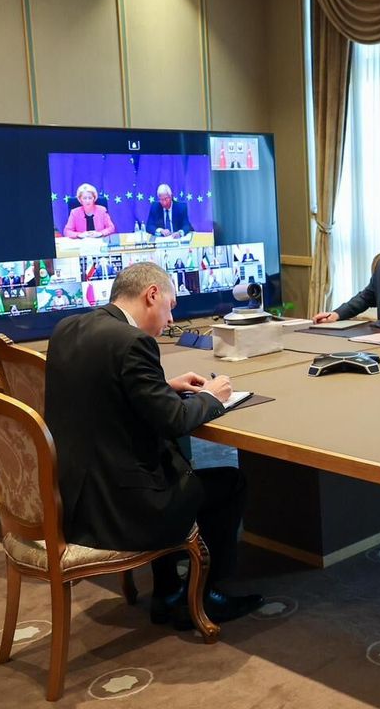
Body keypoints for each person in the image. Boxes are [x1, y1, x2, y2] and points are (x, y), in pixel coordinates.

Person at [45, 261, 262, 630]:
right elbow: (174, 421)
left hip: (75, 498)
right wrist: (212, 397)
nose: (171, 318)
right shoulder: (133, 342)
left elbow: (103, 391)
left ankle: (169, 590)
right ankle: (206, 596)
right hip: (122, 507)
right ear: (151, 295)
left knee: (166, 467)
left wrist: (163, 387)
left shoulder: (69, 328)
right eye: (170, 306)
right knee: (228, 483)